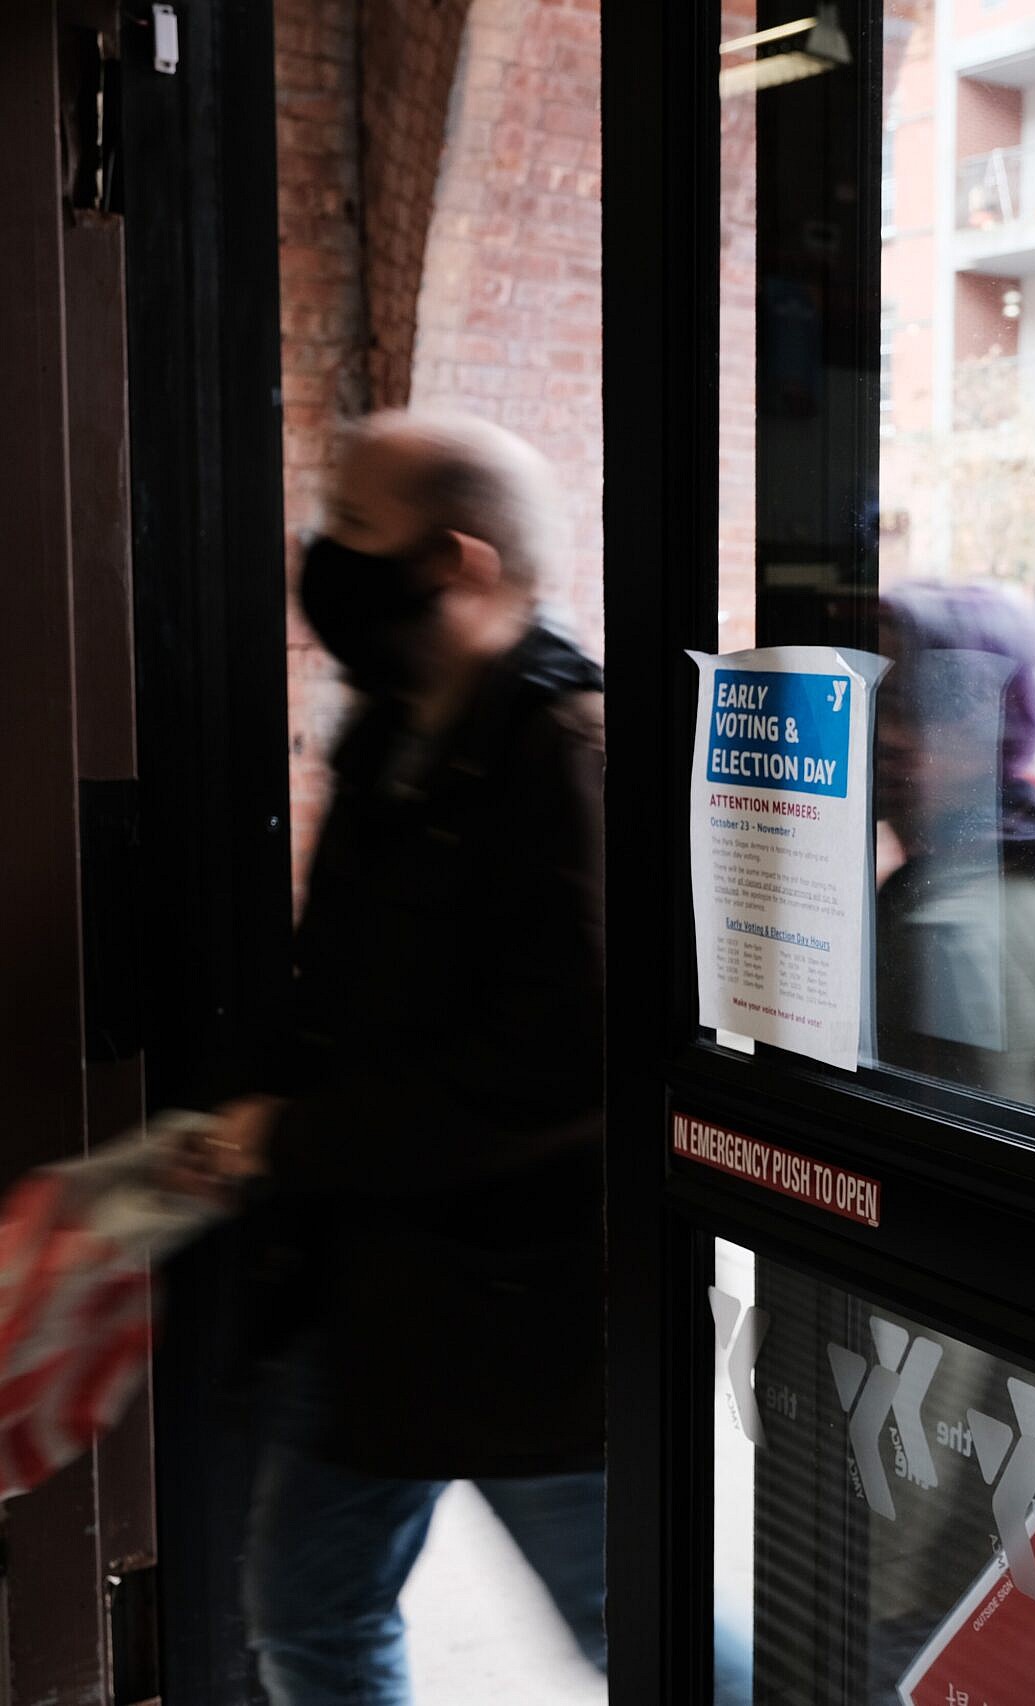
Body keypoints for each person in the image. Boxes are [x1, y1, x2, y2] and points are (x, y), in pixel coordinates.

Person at [200, 411, 608, 1703]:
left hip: (523, 1313)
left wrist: (298, 1138)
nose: (320, 552)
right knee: (308, 1609)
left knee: (629, 1619)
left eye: (354, 527)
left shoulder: (573, 753)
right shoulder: (389, 735)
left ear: (462, 564)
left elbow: (557, 1061)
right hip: (365, 1297)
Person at [871, 584, 1035, 1114]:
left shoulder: (952, 928)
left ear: (992, 725)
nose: (881, 733)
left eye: (908, 705)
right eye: (871, 700)